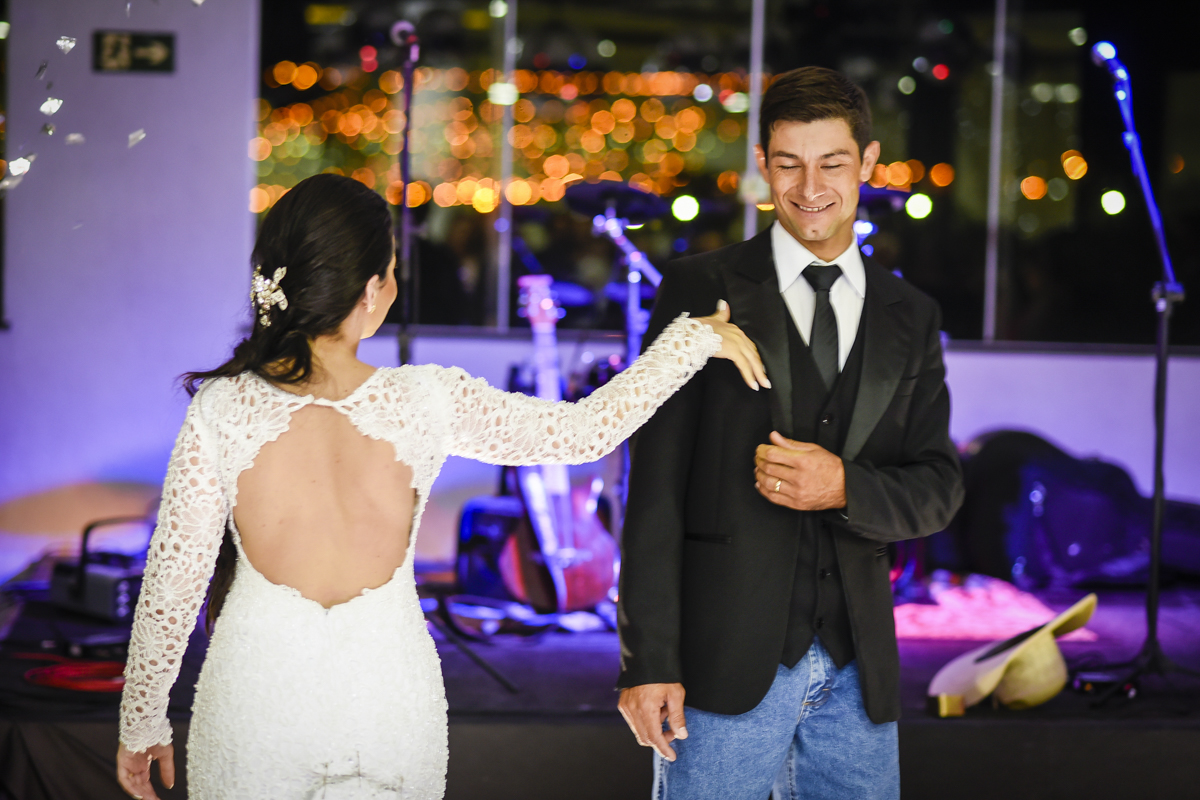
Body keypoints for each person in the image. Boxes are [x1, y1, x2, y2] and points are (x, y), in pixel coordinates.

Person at [114, 173, 767, 800]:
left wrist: (142, 722)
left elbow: (173, 587)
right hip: (389, 706)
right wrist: (688, 342)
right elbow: (582, 434)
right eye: (393, 270)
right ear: (371, 290)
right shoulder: (425, 399)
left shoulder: (224, 407)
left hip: (257, 704)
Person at [616, 66, 964, 800]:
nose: (810, 187)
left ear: (868, 163)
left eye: (833, 163)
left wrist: (845, 487)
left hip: (858, 668)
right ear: (762, 164)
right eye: (789, 163)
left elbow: (938, 487)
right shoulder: (697, 291)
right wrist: (647, 659)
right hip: (721, 661)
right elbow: (652, 490)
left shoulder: (913, 316)